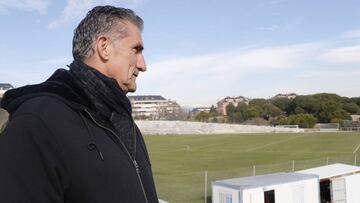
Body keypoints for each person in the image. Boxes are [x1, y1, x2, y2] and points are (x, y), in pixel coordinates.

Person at [0, 5, 158, 203]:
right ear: (104, 47)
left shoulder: (125, 123)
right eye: (136, 50)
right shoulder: (36, 123)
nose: (143, 65)